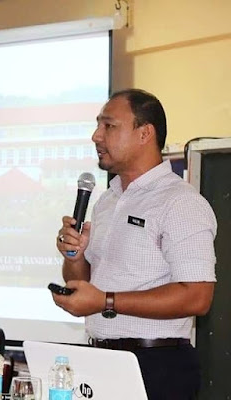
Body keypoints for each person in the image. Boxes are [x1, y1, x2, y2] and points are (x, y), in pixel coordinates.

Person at [53, 89, 217, 400]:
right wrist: (75, 255)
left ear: (145, 133)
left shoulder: (180, 203)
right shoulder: (107, 200)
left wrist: (106, 301)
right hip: (99, 360)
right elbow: (83, 285)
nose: (95, 136)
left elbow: (198, 297)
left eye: (108, 126)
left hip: (157, 366)